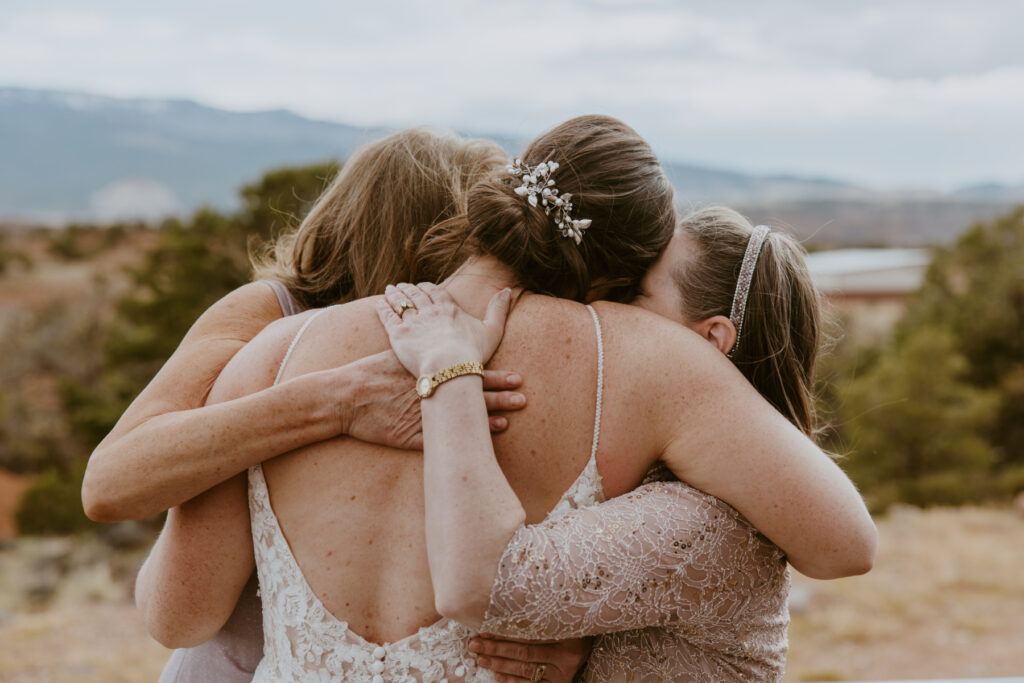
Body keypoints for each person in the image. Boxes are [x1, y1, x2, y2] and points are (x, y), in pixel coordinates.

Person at [141, 115, 875, 681]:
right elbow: (841, 537)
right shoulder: (648, 363)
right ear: (617, 268)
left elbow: (178, 613)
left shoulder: (274, 355)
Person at [83, 128, 569, 682]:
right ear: (422, 237)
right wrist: (335, 400)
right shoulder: (270, 315)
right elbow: (108, 484)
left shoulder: (469, 348)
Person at [380, 207, 827, 680]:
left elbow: (493, 585)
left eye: (633, 292)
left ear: (712, 338)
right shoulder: (695, 478)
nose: (603, 308)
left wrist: (448, 366)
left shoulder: (706, 519)